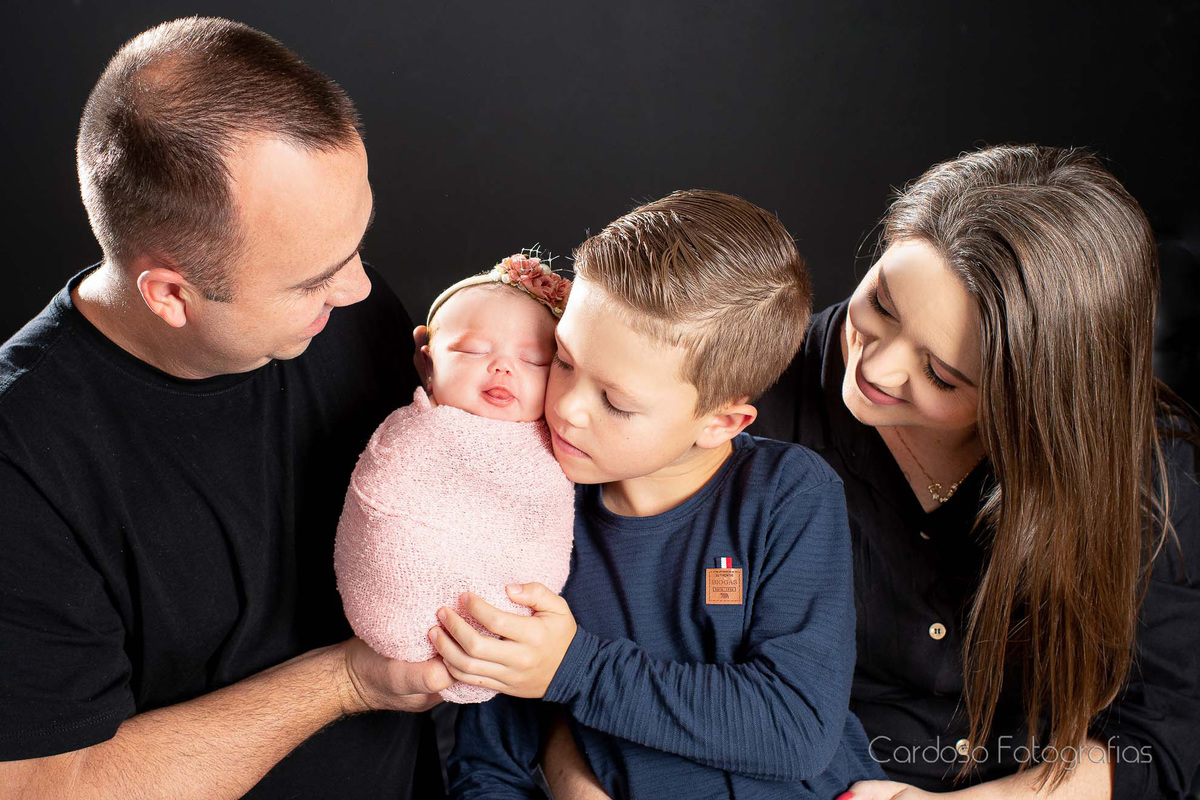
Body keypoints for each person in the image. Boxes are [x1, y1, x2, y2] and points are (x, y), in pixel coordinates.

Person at [0, 17, 454, 799]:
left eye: (356, 246)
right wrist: (348, 681)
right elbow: (50, 784)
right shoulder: (24, 462)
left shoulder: (348, 306)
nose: (357, 289)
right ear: (170, 295)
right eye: (315, 278)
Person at [748, 144, 1200, 799]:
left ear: (1036, 397)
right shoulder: (750, 402)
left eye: (941, 374)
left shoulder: (1144, 466)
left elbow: (1162, 738)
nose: (873, 369)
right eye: (879, 306)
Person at [440, 190, 887, 798]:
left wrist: (575, 669)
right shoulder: (531, 506)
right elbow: (486, 760)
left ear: (721, 424)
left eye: (617, 403)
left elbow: (797, 728)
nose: (567, 410)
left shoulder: (788, 495)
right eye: (563, 362)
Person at [334, 254, 575, 704]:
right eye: (472, 351)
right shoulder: (412, 436)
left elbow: (542, 528)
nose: (503, 367)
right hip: (399, 609)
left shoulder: (559, 445)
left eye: (534, 360)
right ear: (427, 364)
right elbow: (382, 510)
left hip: (512, 622)